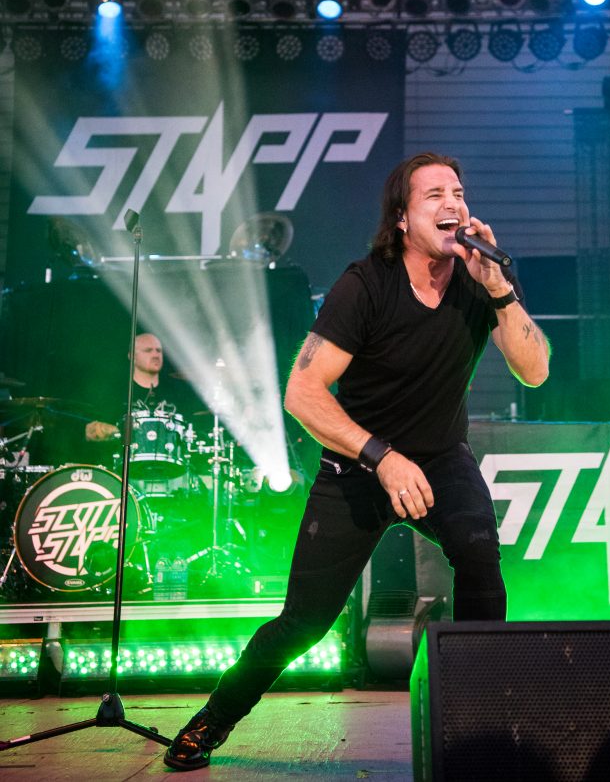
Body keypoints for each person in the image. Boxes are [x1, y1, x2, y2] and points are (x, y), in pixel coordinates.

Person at [164, 151, 550, 771]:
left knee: (479, 554)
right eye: (434, 196)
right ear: (402, 218)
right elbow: (302, 394)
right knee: (304, 624)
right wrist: (383, 457)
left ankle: (480, 723)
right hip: (357, 465)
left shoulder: (481, 282)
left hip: (442, 459)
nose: (453, 204)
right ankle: (214, 717)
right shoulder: (365, 284)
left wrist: (500, 289)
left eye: (459, 192)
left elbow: (534, 372)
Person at [85, 332, 165, 445]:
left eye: (159, 350)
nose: (156, 355)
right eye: (148, 350)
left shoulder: (177, 393)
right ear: (132, 356)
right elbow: (91, 431)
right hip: (123, 460)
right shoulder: (114, 393)